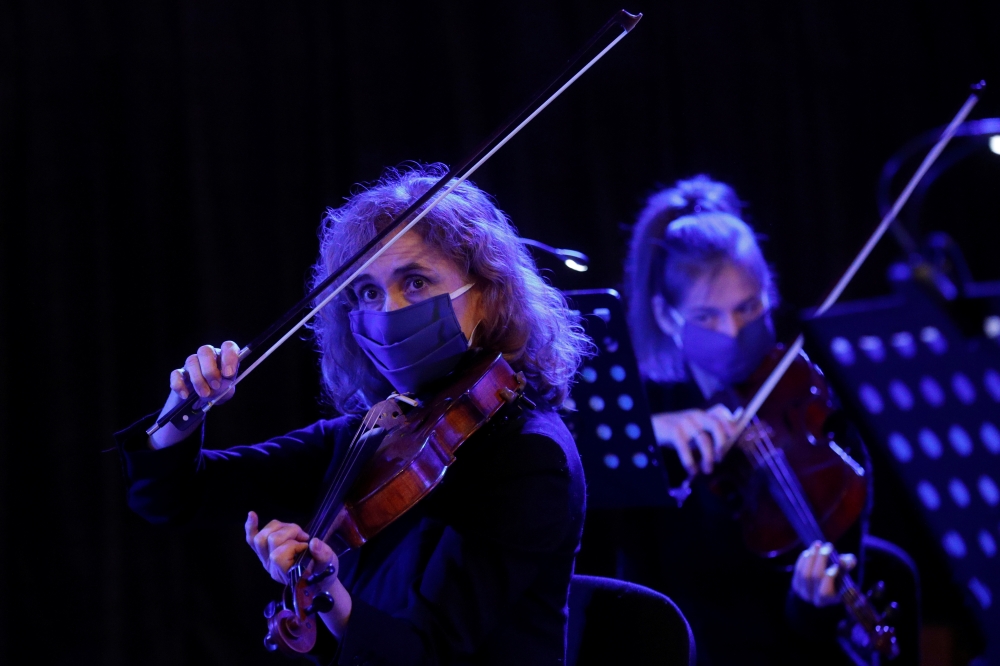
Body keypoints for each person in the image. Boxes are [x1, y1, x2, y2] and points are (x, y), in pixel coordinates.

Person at [115, 163, 592, 665]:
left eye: (415, 282)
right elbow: (177, 497)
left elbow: (431, 653)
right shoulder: (386, 427)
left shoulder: (530, 456)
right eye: (367, 292)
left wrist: (328, 597)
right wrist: (185, 408)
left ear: (487, 297)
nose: (387, 312)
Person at [576, 175, 920, 665]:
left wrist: (811, 605)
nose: (734, 330)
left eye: (749, 307)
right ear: (667, 315)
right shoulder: (639, 407)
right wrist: (653, 433)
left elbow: (815, 635)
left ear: (769, 294)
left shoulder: (817, 406)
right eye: (707, 317)